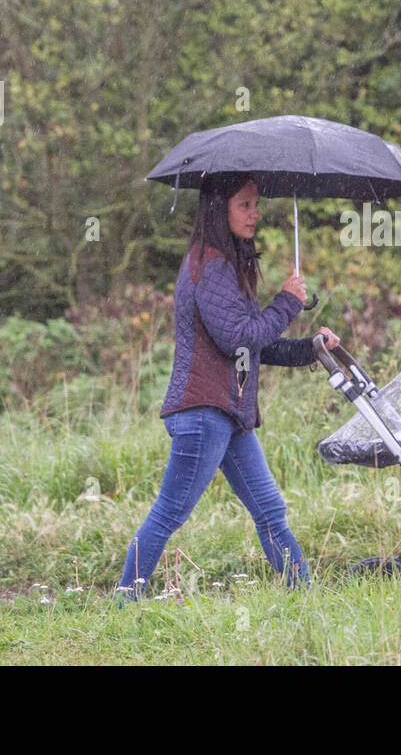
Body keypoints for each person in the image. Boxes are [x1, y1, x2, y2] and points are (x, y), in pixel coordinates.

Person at [115, 172, 338, 601]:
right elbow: (239, 338)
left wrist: (312, 348)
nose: (255, 214)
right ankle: (125, 597)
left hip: (227, 412)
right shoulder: (211, 265)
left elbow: (258, 345)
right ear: (220, 207)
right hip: (203, 411)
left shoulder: (227, 264)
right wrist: (288, 301)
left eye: (256, 205)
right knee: (170, 512)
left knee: (269, 509)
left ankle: (306, 597)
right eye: (245, 205)